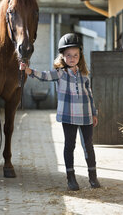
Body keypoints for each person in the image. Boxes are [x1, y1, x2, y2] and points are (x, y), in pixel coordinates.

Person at [20, 33, 100, 191]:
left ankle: (93, 177)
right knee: (69, 146)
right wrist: (28, 71)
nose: (72, 58)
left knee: (88, 146)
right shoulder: (60, 73)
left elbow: (90, 95)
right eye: (69, 55)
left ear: (80, 56)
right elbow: (44, 76)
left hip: (86, 116)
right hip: (68, 116)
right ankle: (71, 178)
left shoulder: (84, 75)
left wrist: (94, 112)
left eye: (75, 55)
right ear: (63, 56)